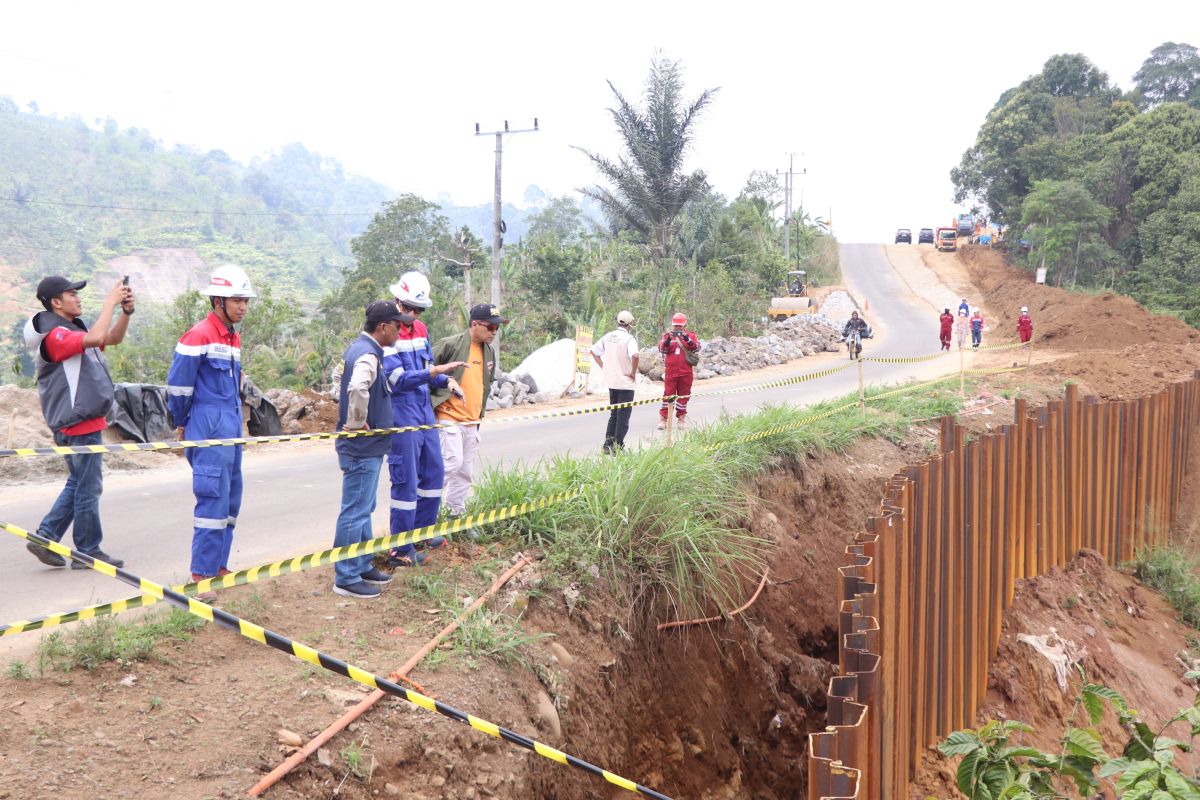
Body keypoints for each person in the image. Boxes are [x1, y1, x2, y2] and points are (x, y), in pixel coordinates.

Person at [23, 275, 134, 569]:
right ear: (56, 302)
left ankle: (44, 537)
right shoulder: (56, 337)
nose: (78, 297)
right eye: (72, 293)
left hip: (85, 422)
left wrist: (125, 313)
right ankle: (88, 551)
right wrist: (110, 302)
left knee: (79, 484)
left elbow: (111, 338)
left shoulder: (72, 331)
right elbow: (98, 337)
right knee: (89, 487)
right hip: (77, 425)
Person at [166, 265, 254, 598]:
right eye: (236, 300)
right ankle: (200, 574)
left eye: (245, 300)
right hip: (207, 425)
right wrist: (182, 421)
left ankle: (219, 566)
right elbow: (178, 386)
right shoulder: (198, 335)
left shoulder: (232, 336)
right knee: (212, 498)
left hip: (231, 426)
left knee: (231, 499)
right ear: (218, 300)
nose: (242, 306)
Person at [383, 272, 464, 568]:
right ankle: (399, 549)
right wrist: (433, 374)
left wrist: (446, 380)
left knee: (434, 472)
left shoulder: (420, 329)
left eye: (419, 310)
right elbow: (397, 379)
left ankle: (423, 532)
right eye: (409, 308)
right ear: (397, 301)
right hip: (401, 413)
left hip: (424, 410)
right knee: (405, 483)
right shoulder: (386, 333)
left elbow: (428, 368)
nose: (413, 314)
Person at [331, 301, 408, 599]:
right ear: (383, 327)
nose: (400, 331)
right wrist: (357, 421)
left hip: (369, 447)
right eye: (397, 325)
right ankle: (346, 577)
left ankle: (361, 564)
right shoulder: (367, 354)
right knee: (355, 511)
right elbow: (357, 387)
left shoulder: (363, 349)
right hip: (361, 447)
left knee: (364, 509)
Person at [431, 304, 506, 532]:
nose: (494, 332)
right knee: (448, 464)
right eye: (491, 327)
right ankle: (425, 516)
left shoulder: (489, 351)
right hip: (448, 416)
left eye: (497, 328)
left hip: (471, 421)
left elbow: (484, 384)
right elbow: (425, 371)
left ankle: (456, 516)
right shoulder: (450, 344)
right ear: (475, 324)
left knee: (465, 472)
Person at [591, 310, 639, 454]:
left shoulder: (608, 336)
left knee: (614, 414)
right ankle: (618, 446)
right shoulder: (629, 339)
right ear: (630, 324)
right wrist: (633, 372)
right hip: (625, 382)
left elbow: (594, 351)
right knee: (623, 416)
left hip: (612, 381)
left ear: (618, 321)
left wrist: (604, 367)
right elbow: (635, 355)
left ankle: (607, 444)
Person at [657, 312, 700, 431]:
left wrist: (687, 339)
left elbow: (697, 348)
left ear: (685, 324)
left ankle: (681, 419)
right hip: (671, 372)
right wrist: (668, 339)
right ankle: (663, 419)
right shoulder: (667, 336)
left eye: (680, 326)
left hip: (686, 372)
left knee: (684, 396)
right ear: (673, 325)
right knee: (668, 396)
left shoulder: (691, 335)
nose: (678, 328)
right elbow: (662, 349)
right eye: (676, 326)